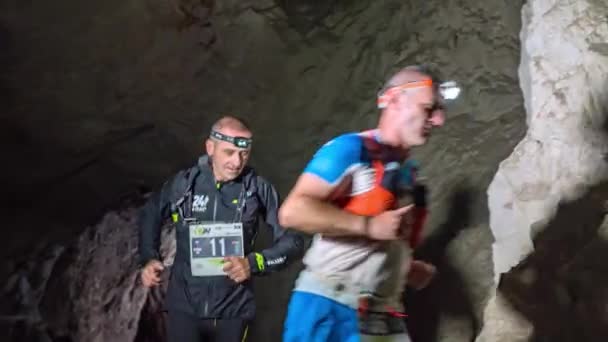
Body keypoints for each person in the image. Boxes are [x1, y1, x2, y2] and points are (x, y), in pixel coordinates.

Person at [279, 65, 457, 341]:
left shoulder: (410, 176)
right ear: (395, 99)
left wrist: (405, 267)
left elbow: (380, 239)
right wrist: (368, 225)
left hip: (384, 314)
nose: (438, 120)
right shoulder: (351, 150)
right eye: (429, 108)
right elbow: (293, 212)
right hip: (329, 304)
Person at [137, 115, 305, 342]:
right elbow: (150, 213)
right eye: (229, 152)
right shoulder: (184, 184)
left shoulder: (257, 189)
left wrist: (254, 262)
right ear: (210, 147)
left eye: (244, 154)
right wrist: (148, 257)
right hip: (184, 309)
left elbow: (294, 241)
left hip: (234, 311)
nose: (237, 162)